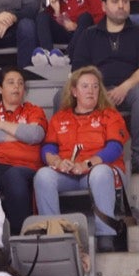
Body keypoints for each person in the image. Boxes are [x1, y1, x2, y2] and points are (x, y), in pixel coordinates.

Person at [68, 0, 139, 174]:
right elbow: (79, 70)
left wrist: (125, 87)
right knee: (62, 95)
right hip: (96, 90)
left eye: (125, 1)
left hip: (130, 90)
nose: (121, 6)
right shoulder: (89, 35)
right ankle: (73, 158)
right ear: (103, 6)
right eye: (115, 1)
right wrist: (98, 91)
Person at [33, 67, 129, 248]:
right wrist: (57, 161)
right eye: (85, 86)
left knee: (100, 172)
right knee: (43, 175)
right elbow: (48, 147)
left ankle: (106, 236)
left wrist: (88, 163)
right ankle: (53, 234)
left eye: (95, 87)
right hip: (68, 173)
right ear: (74, 91)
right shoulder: (60, 118)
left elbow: (115, 147)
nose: (91, 91)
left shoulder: (109, 115)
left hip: (97, 171)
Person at [0, 68, 45, 229]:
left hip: (20, 167)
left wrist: (2, 125)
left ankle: (21, 234)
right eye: (11, 83)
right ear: (0, 89)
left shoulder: (34, 110)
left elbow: (35, 135)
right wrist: (18, 135)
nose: (16, 87)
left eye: (20, 83)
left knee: (14, 176)